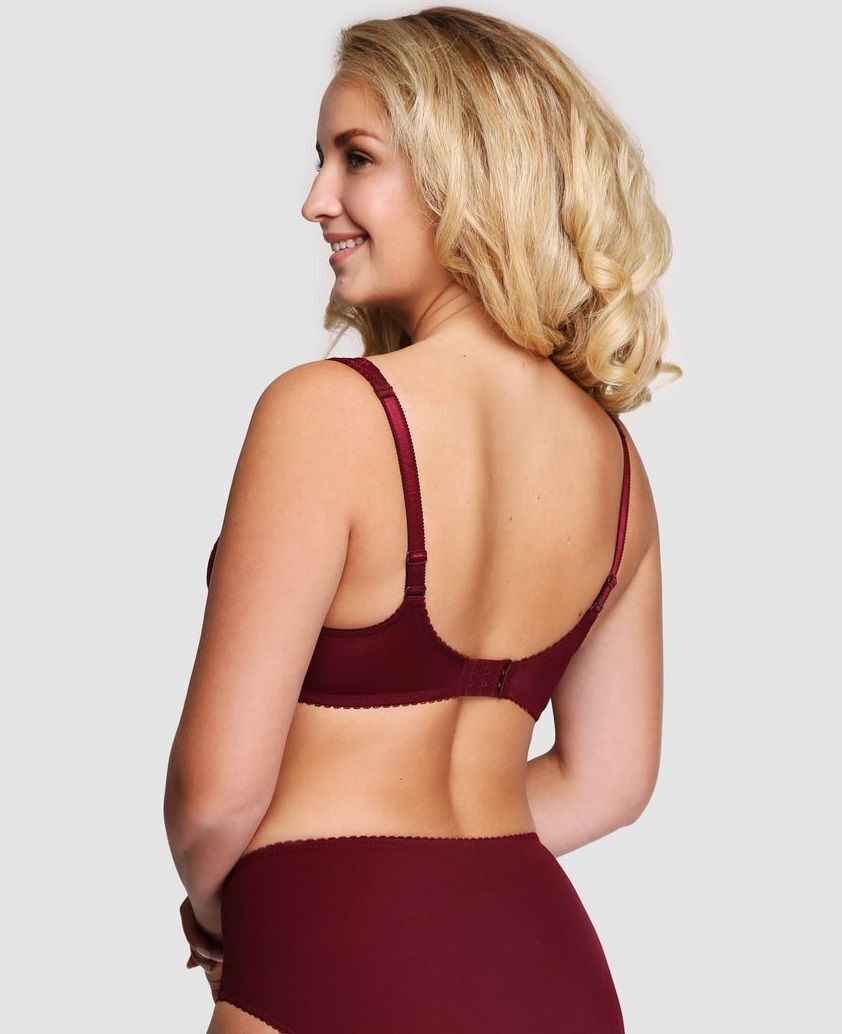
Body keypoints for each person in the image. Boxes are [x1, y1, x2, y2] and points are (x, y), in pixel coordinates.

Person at [164, 7, 678, 1032]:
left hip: (328, 954)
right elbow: (609, 780)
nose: (316, 199)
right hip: (544, 967)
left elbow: (214, 793)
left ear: (467, 172)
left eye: (356, 158)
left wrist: (233, 917)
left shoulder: (324, 414)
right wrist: (442, 872)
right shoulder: (615, 465)